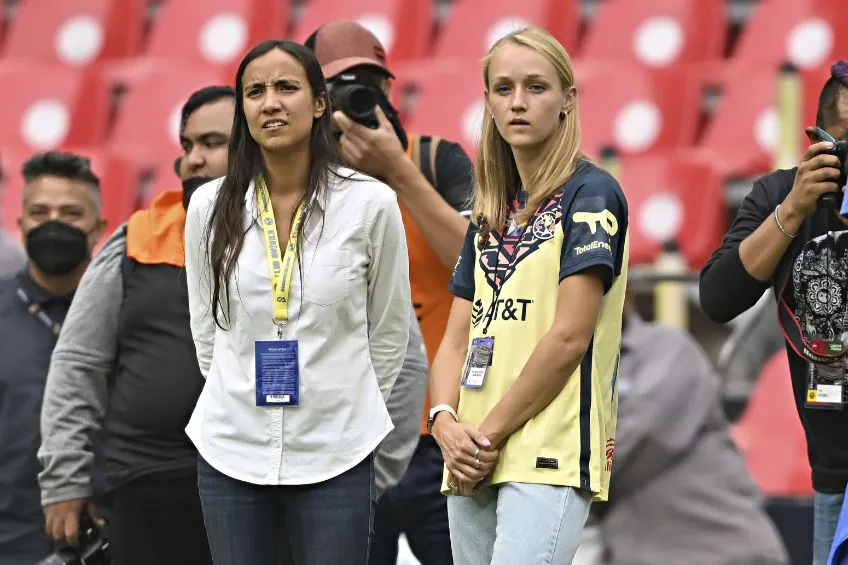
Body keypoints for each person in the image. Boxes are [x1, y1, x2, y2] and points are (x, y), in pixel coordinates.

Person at [183, 39, 411, 565]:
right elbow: (205, 326)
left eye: (287, 87)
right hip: (231, 446)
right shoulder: (207, 206)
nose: (270, 103)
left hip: (337, 449)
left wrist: (343, 405)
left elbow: (390, 329)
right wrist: (236, 391)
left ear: (318, 103)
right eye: (255, 91)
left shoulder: (370, 204)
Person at [428, 27, 629, 565]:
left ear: (568, 99)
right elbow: (453, 341)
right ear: (489, 101)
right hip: (470, 450)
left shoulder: (592, 192)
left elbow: (569, 337)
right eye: (503, 88)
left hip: (546, 447)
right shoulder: (489, 209)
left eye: (536, 87)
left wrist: (483, 438)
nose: (518, 102)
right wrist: (444, 422)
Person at [37, 85, 236, 565]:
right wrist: (65, 479)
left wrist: (373, 475)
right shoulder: (136, 237)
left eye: (211, 143)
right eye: (187, 146)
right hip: (144, 489)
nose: (193, 159)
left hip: (258, 487)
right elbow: (78, 361)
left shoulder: (301, 237)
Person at [305, 20, 474, 564]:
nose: (358, 103)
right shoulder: (303, 182)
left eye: (369, 86)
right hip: (350, 436)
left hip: (444, 431)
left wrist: (396, 170)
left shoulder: (433, 160)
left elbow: (476, 264)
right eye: (341, 90)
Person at [699, 60, 848, 565]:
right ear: (819, 141)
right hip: (834, 474)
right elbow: (718, 300)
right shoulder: (780, 197)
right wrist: (794, 210)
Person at [588, 295, 788, 565]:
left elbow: (633, 441)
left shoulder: (666, 347)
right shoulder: (578, 370)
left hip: (724, 555)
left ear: (625, 292)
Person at [0, 151, 106, 565]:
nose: (54, 224)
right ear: (20, 223)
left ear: (99, 227)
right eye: (40, 212)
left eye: (71, 213)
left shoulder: (130, 313)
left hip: (112, 540)